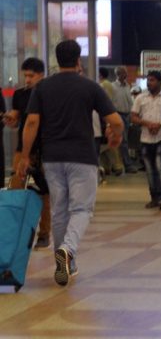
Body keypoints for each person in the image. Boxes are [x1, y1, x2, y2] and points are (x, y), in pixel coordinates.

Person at [16, 39, 123, 287]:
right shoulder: (90, 87)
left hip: (52, 158)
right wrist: (115, 136)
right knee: (82, 209)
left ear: (56, 60)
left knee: (59, 210)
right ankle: (68, 249)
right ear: (78, 60)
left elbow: (31, 123)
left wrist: (24, 155)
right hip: (82, 157)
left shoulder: (43, 87)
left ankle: (65, 263)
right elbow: (116, 121)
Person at [5, 57, 50, 250]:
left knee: (45, 193)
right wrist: (11, 118)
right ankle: (13, 232)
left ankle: (44, 234)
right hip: (23, 148)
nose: (28, 79)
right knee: (15, 189)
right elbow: (17, 116)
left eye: (31, 76)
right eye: (25, 76)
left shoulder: (49, 93)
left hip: (45, 149)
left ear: (41, 74)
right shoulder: (20, 94)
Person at [131, 71, 161, 211]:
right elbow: (133, 117)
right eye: (148, 80)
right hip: (146, 139)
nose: (149, 83)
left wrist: (160, 124)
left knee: (160, 167)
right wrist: (147, 123)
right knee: (149, 170)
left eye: (152, 80)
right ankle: (154, 198)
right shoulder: (140, 98)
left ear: (160, 82)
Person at [112, 66, 137, 173]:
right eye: (123, 73)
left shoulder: (128, 86)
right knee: (123, 141)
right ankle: (127, 165)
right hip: (118, 115)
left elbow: (129, 102)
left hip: (127, 115)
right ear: (118, 74)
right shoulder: (113, 87)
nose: (126, 75)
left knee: (126, 140)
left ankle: (122, 164)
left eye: (126, 73)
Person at [98, 67, 123, 176]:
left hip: (106, 116)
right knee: (106, 143)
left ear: (100, 74)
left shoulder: (104, 85)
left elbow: (104, 102)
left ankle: (117, 165)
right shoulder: (109, 84)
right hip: (110, 114)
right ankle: (107, 167)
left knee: (109, 142)